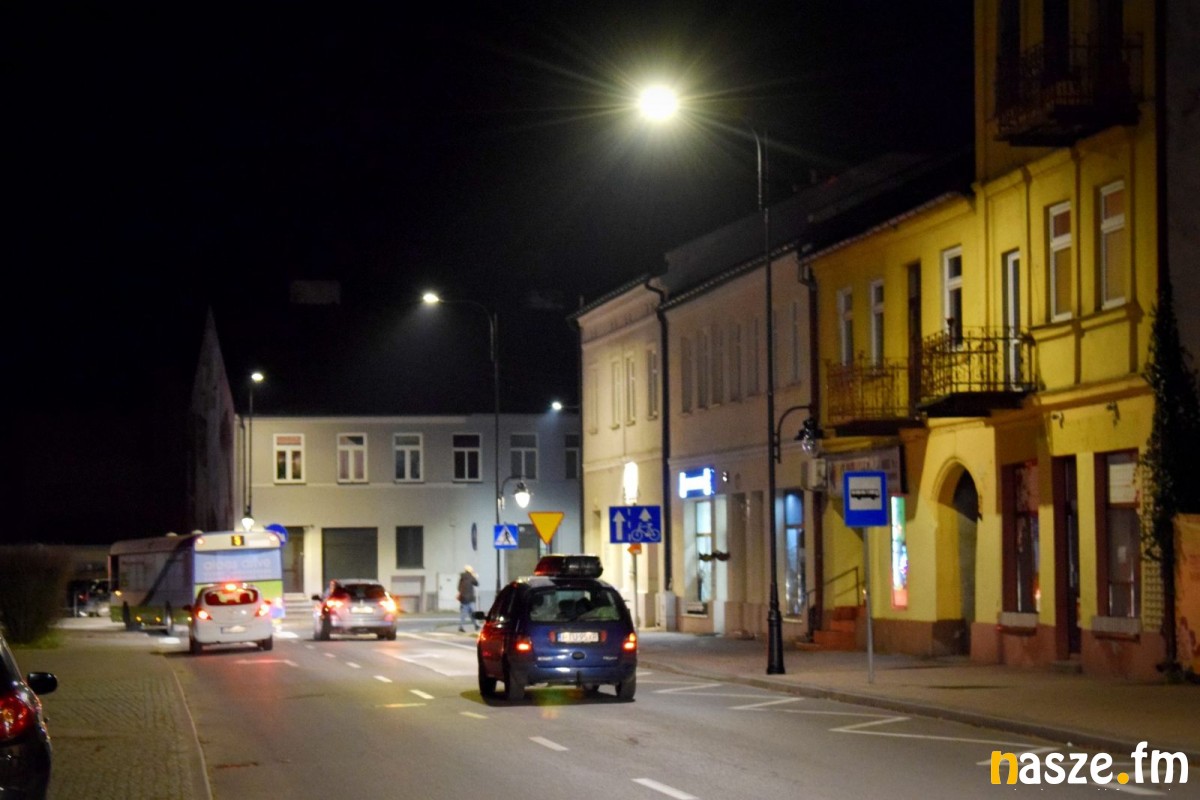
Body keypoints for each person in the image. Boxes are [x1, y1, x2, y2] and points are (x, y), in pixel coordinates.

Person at [457, 565, 479, 632]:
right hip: (470, 598)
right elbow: (476, 584)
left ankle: (475, 625)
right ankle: (475, 625)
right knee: (472, 613)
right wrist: (475, 577)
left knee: (464, 613)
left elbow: (458, 588)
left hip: (463, 598)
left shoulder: (462, 578)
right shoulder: (471, 577)